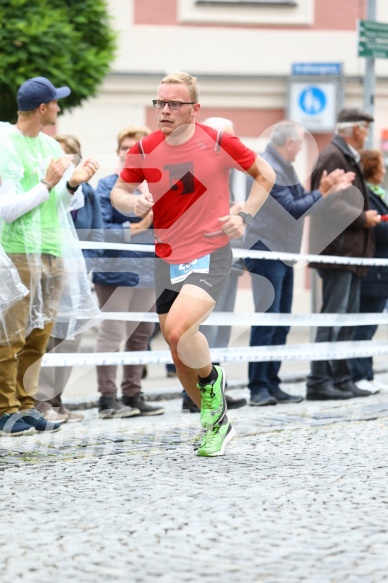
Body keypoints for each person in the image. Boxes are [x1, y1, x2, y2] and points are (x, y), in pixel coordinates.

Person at [110, 71, 275, 457]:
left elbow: (265, 175)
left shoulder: (217, 141)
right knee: (175, 345)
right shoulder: (145, 147)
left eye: (174, 104)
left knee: (183, 330)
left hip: (210, 250)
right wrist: (130, 203)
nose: (164, 110)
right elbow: (120, 190)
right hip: (167, 256)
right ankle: (216, 423)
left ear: (194, 110)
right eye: (159, 103)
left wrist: (245, 216)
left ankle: (213, 381)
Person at [0, 76, 99, 437]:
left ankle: (27, 406)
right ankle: (4, 409)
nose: (59, 107)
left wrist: (73, 183)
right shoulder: (4, 142)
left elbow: (64, 204)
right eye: (55, 102)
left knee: (39, 334)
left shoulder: (50, 145)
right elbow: (7, 210)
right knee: (11, 334)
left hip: (53, 249)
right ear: (42, 108)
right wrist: (46, 183)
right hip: (16, 250)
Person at [244, 121, 355, 406]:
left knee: (280, 324)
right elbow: (292, 210)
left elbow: (298, 205)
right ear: (289, 143)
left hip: (282, 252)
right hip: (267, 252)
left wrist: (322, 192)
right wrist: (323, 191)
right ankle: (259, 387)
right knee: (268, 322)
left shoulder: (282, 166)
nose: (300, 149)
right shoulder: (269, 167)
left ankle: (272, 383)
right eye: (299, 144)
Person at [306, 107, 380, 401]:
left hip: (348, 250)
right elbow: (324, 202)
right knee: (334, 318)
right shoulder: (334, 156)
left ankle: (341, 378)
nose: (366, 134)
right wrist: (363, 218)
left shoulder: (345, 155)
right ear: (355, 128)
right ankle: (319, 380)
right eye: (365, 127)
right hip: (338, 250)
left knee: (345, 319)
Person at [93, 125, 165, 419]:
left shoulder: (158, 188)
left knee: (140, 335)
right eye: (126, 148)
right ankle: (107, 399)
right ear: (119, 154)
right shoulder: (107, 187)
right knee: (112, 334)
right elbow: (100, 231)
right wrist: (137, 226)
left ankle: (133, 394)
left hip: (147, 272)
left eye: (138, 149)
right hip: (114, 273)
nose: (131, 153)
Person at [36, 134, 104, 424]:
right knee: (47, 339)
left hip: (76, 277)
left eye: (67, 156)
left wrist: (83, 265)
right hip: (49, 272)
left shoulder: (86, 193)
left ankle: (58, 398)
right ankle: (41, 401)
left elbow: (97, 233)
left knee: (70, 340)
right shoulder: (46, 190)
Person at [181, 116, 247, 412]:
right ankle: (196, 394)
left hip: (225, 258)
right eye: (226, 139)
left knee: (221, 327)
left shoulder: (231, 169)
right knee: (195, 329)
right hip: (196, 260)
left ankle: (216, 388)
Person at [350, 149, 388, 392]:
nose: (383, 171)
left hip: (380, 272)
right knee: (362, 325)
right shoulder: (365, 197)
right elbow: (375, 231)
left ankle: (367, 372)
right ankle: (358, 374)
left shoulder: (377, 194)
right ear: (371, 168)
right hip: (371, 271)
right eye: (381, 167)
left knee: (370, 324)